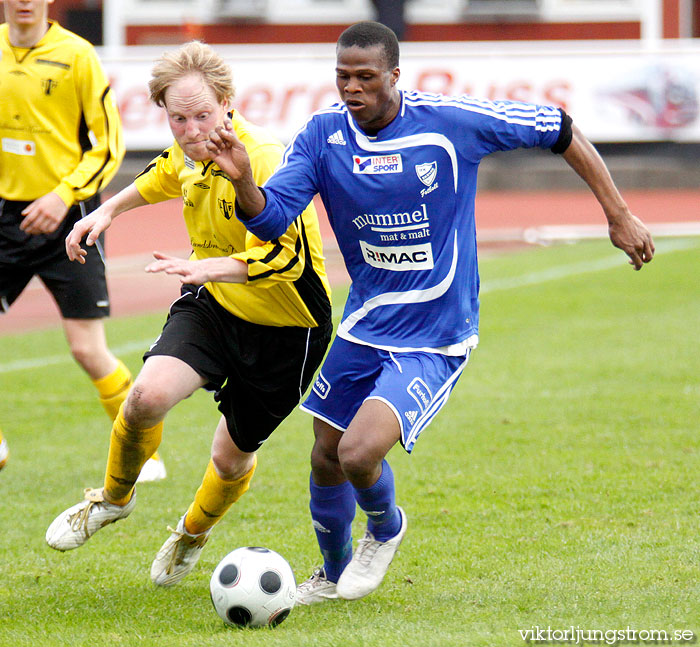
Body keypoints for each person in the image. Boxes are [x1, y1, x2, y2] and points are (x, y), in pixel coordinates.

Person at [204, 21, 655, 604]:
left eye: (366, 77)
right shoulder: (321, 137)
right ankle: (333, 574)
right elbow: (269, 218)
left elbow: (560, 128)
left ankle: (385, 528)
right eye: (343, 77)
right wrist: (243, 180)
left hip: (436, 333)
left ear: (395, 76)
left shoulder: (448, 123)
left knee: (359, 452)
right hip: (366, 324)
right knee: (323, 453)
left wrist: (617, 213)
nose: (352, 88)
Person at [45, 41, 333, 587]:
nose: (192, 128)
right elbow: (160, 175)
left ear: (228, 102)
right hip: (214, 303)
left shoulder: (264, 155)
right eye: (179, 118)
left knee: (229, 457)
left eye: (203, 114)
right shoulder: (186, 149)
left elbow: (288, 258)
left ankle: (192, 532)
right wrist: (104, 212)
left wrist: (210, 268)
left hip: (287, 328)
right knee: (146, 396)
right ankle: (111, 498)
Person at [0, 0, 165, 481]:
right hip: (5, 215)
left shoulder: (77, 56)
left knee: (86, 349)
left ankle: (143, 452)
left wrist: (62, 194)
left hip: (69, 217)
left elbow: (109, 146)